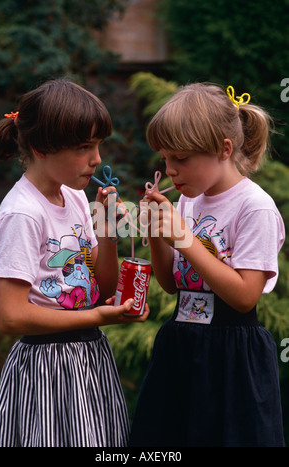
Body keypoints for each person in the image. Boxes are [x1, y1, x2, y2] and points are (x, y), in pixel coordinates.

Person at [0, 79, 149, 447]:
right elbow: (10, 317)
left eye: (98, 145)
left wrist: (107, 229)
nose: (97, 159)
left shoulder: (75, 197)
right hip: (46, 369)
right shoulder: (23, 215)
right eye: (84, 147)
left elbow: (100, 287)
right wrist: (98, 317)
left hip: (89, 357)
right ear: (43, 148)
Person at [129, 83, 286, 447]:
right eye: (165, 160)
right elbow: (171, 283)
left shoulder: (254, 208)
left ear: (224, 149)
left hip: (231, 356)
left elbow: (245, 296)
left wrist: (183, 238)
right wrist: (156, 232)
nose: (170, 171)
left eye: (180, 159)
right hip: (182, 344)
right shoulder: (190, 201)